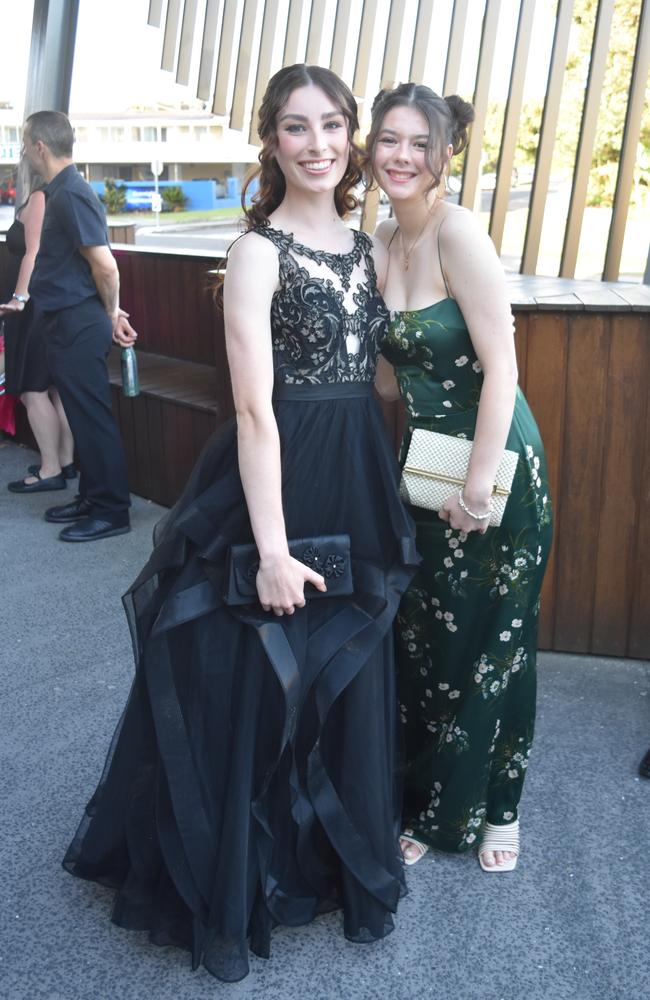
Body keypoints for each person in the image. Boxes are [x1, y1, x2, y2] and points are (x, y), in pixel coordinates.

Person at [63, 65, 418, 982]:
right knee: (258, 668)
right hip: (280, 472)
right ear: (270, 140)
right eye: (297, 128)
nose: (319, 145)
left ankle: (324, 854)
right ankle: (245, 870)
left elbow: (380, 369)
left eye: (334, 126)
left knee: (343, 668)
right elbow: (255, 408)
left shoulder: (367, 244)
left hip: (359, 469)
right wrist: (270, 547)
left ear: (352, 138)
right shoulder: (257, 249)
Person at [368, 83, 553, 872]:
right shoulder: (378, 239)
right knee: (427, 644)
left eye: (419, 143)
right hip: (424, 466)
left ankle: (498, 812)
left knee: (494, 644)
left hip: (494, 462)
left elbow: (503, 367)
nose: (402, 156)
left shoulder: (459, 232)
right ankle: (431, 805)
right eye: (388, 140)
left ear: (446, 153)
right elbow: (384, 375)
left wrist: (479, 488)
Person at [21, 111, 136, 541]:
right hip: (66, 319)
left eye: (25, 144)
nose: (25, 152)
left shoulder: (71, 194)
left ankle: (111, 510)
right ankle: (93, 496)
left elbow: (106, 267)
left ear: (40, 147)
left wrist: (112, 313)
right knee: (85, 418)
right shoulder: (63, 191)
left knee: (92, 417)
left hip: (78, 322)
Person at [0, 154, 76, 493]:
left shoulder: (39, 198)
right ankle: (64, 462)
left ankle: (50, 469)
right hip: (43, 304)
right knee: (54, 389)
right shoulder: (49, 196)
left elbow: (33, 252)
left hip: (31, 308)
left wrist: (19, 299)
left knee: (33, 391)